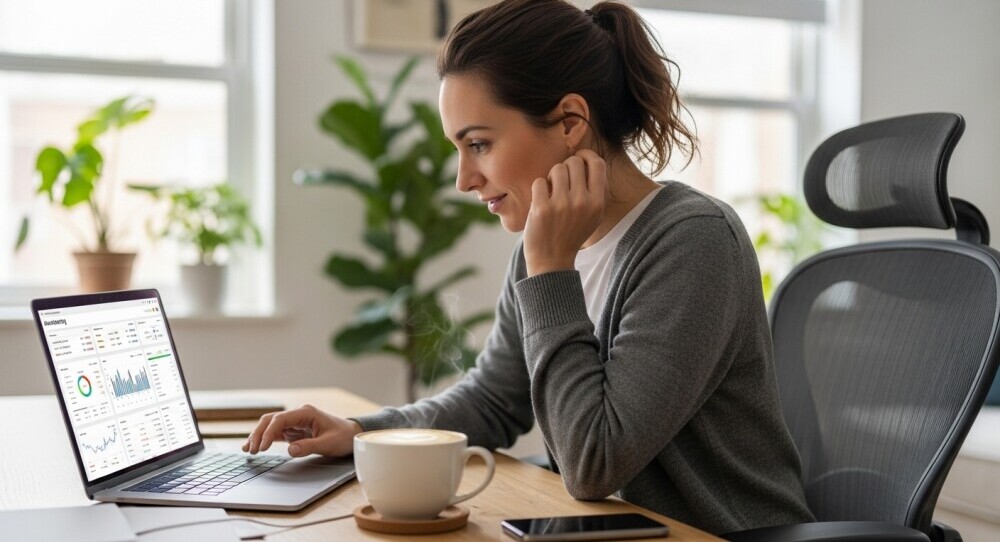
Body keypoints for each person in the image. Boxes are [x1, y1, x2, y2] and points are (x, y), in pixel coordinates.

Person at [244, 0, 814, 534]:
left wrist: (549, 271)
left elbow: (593, 463)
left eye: (479, 144)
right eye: (458, 149)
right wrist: (364, 433)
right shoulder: (542, 250)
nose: (463, 179)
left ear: (569, 122)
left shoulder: (692, 241)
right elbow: (495, 399)